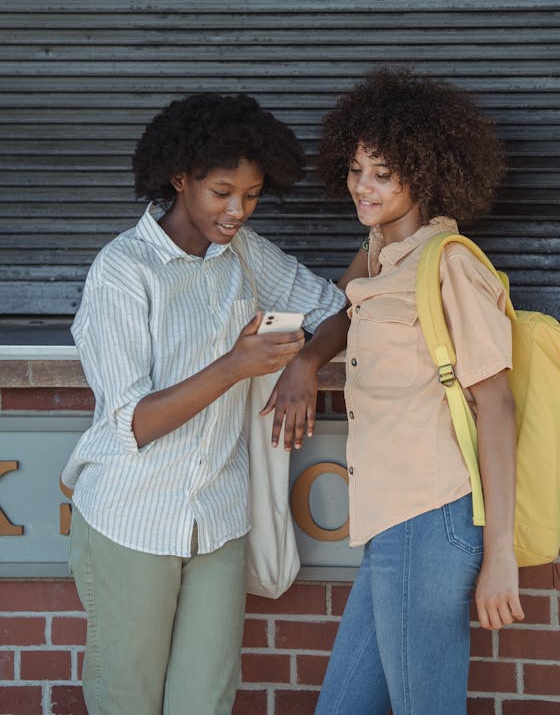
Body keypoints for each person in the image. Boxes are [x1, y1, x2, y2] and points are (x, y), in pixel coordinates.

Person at [62, 92, 349, 715]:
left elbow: (335, 305)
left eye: (251, 194)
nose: (238, 210)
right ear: (179, 178)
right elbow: (132, 422)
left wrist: (304, 363)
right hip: (131, 518)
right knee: (128, 701)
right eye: (222, 192)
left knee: (206, 701)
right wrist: (235, 367)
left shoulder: (242, 255)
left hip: (218, 517)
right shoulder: (122, 271)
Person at [313, 66, 525, 715]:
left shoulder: (449, 264)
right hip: (388, 525)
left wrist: (500, 555)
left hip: (433, 518)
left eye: (382, 173)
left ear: (423, 174)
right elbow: (347, 308)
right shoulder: (380, 254)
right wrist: (302, 364)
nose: (362, 186)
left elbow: (496, 405)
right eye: (355, 169)